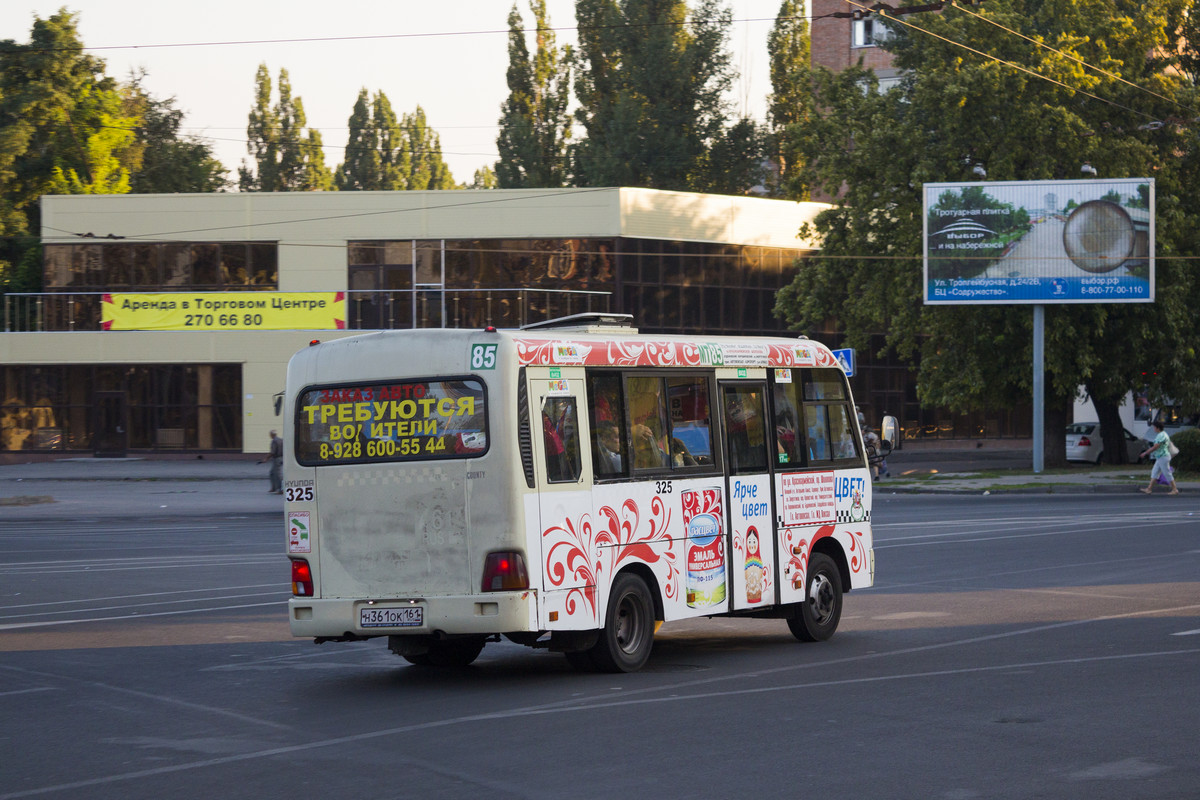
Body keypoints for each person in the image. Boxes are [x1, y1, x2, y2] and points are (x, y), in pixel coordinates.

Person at [1138, 421, 1178, 495]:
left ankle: (1175, 489)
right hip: (1160, 457)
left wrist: (1145, 453)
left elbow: (1155, 446)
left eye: (1154, 427)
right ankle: (1149, 489)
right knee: (1155, 472)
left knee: (1167, 473)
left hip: (1163, 457)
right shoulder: (1164, 434)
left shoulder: (1161, 435)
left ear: (1158, 428)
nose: (1153, 429)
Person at [260, 430, 283, 494]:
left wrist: (266, 459)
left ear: (271, 435)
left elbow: (272, 452)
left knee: (277, 474)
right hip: (282, 458)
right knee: (272, 473)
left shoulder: (274, 441)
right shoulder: (281, 440)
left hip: (277, 459)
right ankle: (274, 488)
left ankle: (280, 489)